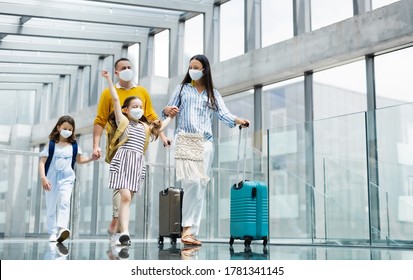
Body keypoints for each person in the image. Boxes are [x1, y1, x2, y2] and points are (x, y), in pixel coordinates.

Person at [162, 54, 250, 246]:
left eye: (196, 66)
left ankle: (191, 231)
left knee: (200, 185)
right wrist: (168, 110)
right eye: (190, 66)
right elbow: (167, 110)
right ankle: (186, 228)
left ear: (204, 70)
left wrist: (239, 121)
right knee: (191, 181)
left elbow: (224, 114)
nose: (192, 69)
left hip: (205, 142)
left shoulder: (213, 94)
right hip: (185, 138)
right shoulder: (182, 89)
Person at [93, 58, 171, 238]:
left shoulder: (142, 108)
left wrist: (166, 130)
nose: (128, 70)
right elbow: (102, 116)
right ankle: (121, 228)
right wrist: (109, 81)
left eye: (129, 67)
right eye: (123, 68)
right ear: (116, 72)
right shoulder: (122, 118)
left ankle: (119, 226)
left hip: (137, 162)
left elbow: (155, 121)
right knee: (123, 196)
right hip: (121, 153)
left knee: (128, 198)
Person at [39, 115, 98, 243]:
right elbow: (42, 162)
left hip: (67, 178)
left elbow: (80, 160)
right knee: (51, 205)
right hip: (51, 179)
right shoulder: (51, 145)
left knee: (65, 202)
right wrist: (43, 178)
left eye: (70, 129)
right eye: (65, 128)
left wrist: (92, 158)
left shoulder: (74, 146)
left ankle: (62, 228)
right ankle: (52, 232)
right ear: (59, 127)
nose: (68, 131)